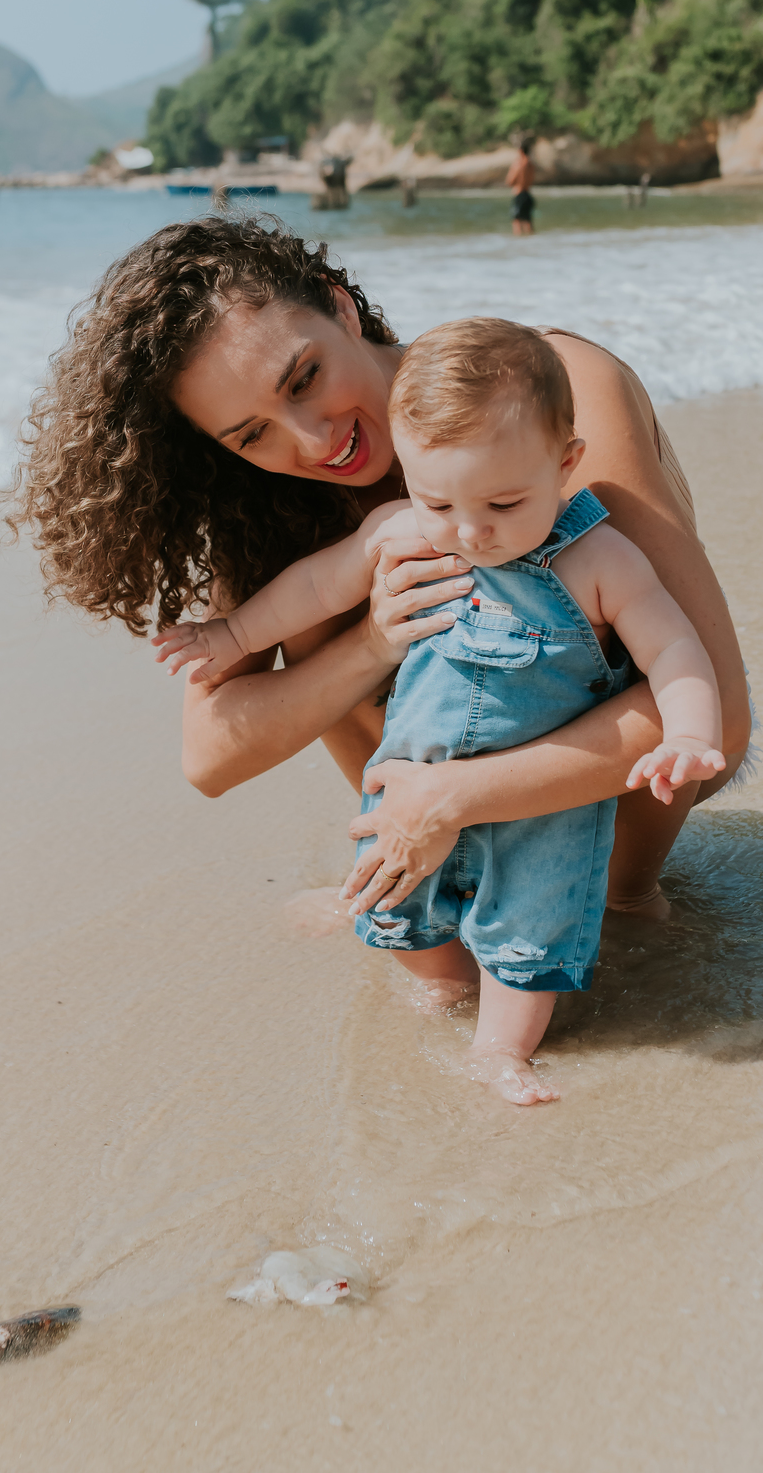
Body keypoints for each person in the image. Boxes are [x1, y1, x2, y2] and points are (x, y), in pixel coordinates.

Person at [6, 216, 750, 934]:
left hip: (630, 785)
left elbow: (723, 710)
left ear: (338, 305)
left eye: (304, 379)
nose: (315, 439)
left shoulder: (543, 388)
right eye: (253, 433)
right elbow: (209, 757)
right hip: (438, 811)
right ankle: (431, 882)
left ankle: (618, 892)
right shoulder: (275, 505)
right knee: (319, 612)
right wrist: (372, 642)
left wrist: (454, 799)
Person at [155, 319, 725, 1104]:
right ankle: (439, 984)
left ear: (565, 464)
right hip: (407, 788)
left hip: (539, 804)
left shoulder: (599, 560)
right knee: (403, 911)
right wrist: (231, 635)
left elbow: (676, 653)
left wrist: (690, 732)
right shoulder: (402, 529)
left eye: (501, 502)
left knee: (529, 935)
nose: (467, 529)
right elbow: (317, 589)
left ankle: (501, 1048)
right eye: (437, 501)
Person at [506, 136, 537, 236]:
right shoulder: (531, 164)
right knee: (528, 222)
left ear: (520, 150)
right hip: (528, 195)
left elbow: (510, 181)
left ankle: (518, 245)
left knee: (516, 222)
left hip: (519, 194)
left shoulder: (518, 164)